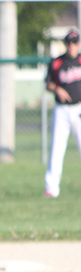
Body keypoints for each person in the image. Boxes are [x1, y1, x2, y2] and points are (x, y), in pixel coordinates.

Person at [44, 29, 81, 198]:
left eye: (74, 42)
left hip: (79, 108)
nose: (71, 46)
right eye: (69, 43)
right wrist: (57, 89)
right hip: (61, 110)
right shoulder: (57, 62)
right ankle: (52, 188)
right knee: (57, 148)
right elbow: (48, 83)